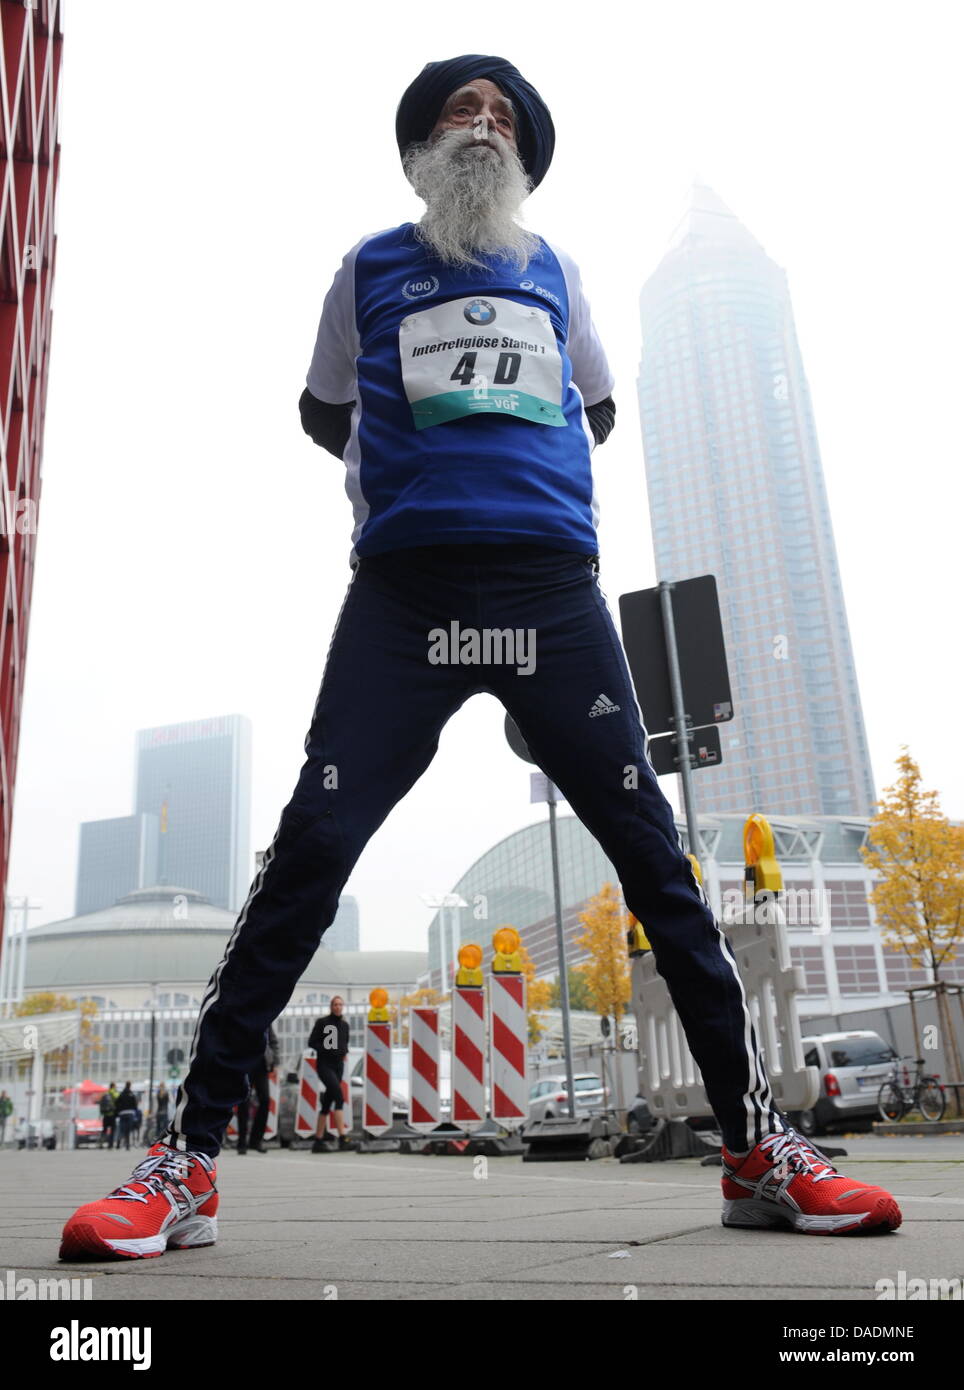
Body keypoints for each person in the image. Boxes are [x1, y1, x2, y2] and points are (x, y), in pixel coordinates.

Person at [60, 54, 901, 1262]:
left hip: (551, 594)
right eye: (460, 109)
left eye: (501, 115)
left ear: (523, 156)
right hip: (404, 598)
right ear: (421, 147)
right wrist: (417, 480)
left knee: (656, 861)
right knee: (309, 854)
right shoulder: (365, 268)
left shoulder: (560, 272)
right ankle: (180, 1162)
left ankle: (756, 1149)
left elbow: (597, 404)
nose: (482, 123)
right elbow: (322, 409)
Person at [308, 999, 352, 1152]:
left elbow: (345, 1043)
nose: (338, 1007)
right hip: (325, 1065)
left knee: (327, 1102)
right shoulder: (323, 1022)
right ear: (331, 1007)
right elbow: (311, 1042)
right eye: (335, 1004)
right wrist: (325, 1048)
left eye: (340, 1004)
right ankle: (343, 1138)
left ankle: (318, 1141)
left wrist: (343, 1052)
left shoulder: (345, 1025)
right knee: (339, 1096)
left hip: (338, 1065)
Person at [236, 1021, 279, 1155]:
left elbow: (273, 1041)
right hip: (245, 1065)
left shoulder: (266, 1018)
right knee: (244, 1102)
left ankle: (256, 1140)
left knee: (265, 1100)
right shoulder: (242, 1017)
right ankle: (242, 1142)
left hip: (262, 1065)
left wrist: (275, 1062)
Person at [113, 1083, 138, 1151]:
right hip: (130, 1113)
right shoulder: (132, 1094)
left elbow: (116, 1103)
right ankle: (127, 1145)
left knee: (121, 1129)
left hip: (122, 1113)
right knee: (128, 1130)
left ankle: (118, 1143)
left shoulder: (121, 1094)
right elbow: (135, 1105)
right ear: (130, 1086)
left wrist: (119, 1110)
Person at [98, 1083, 118, 1150]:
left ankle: (101, 1143)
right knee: (112, 1131)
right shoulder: (113, 1093)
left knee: (104, 1130)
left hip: (105, 1116)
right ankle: (110, 1145)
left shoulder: (105, 1094)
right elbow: (117, 1098)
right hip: (112, 1115)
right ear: (113, 1086)